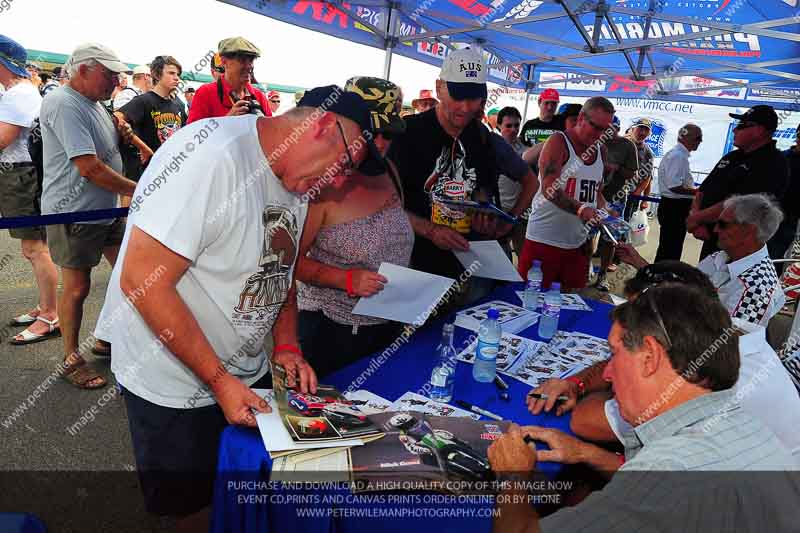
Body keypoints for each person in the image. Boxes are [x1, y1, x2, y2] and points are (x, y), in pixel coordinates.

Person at [95, 85, 375, 530]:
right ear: (322, 126)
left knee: (246, 493)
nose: (340, 183)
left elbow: (279, 269)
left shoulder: (298, 181)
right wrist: (219, 381)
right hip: (173, 380)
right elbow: (142, 282)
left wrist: (286, 346)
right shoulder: (210, 156)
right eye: (345, 164)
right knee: (191, 508)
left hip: (241, 370)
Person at [491, 283, 798, 533]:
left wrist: (512, 477)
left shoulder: (668, 472)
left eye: (614, 354)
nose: (607, 374)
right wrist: (587, 453)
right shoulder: (743, 424)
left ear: (650, 356)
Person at [527, 261, 800, 459]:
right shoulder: (722, 331)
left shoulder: (717, 377)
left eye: (639, 323)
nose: (609, 373)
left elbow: (586, 420)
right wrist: (578, 383)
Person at [296, 77, 413, 378]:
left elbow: (394, 222)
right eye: (375, 133)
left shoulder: (390, 169)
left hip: (387, 325)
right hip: (330, 332)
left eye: (390, 133)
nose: (383, 143)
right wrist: (344, 279)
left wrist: (431, 231)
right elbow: (287, 262)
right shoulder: (325, 181)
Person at [40, 43, 138, 389]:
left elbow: (104, 156)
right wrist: (137, 189)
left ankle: (104, 337)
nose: (116, 80)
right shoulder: (64, 103)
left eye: (117, 74)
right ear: (83, 70)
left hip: (107, 209)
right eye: (108, 74)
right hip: (75, 212)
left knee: (133, 275)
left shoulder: (96, 104)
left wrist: (125, 135)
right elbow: (88, 168)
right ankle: (69, 357)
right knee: (78, 287)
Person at [389, 47, 498, 289]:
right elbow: (382, 204)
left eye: (474, 97)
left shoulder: (480, 135)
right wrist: (429, 230)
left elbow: (482, 187)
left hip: (463, 262)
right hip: (412, 264)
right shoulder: (406, 133)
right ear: (439, 88)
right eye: (458, 96)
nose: (467, 107)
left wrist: (483, 212)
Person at [619, 193, 786, 327]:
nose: (715, 229)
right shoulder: (720, 257)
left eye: (722, 224)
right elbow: (682, 288)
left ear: (748, 232)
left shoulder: (758, 288)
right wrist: (638, 262)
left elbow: (725, 346)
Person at [518, 97, 615, 290]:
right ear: (581, 118)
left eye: (605, 129)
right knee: (529, 302)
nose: (599, 134)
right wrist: (581, 210)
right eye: (595, 127)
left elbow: (595, 192)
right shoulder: (558, 141)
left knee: (569, 303)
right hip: (544, 241)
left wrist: (607, 211)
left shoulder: (601, 151)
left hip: (577, 243)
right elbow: (549, 189)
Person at [0, 35, 60, 345]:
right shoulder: (19, 92)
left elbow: (3, 139)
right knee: (33, 248)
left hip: (21, 175)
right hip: (22, 173)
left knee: (35, 249)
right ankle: (46, 308)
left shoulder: (17, 94)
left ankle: (50, 315)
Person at [688, 105, 789, 260]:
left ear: (759, 130)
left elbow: (740, 206)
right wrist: (697, 220)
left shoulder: (774, 163)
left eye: (741, 126)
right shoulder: (732, 157)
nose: (735, 130)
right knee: (704, 280)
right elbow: (702, 191)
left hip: (740, 249)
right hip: (712, 240)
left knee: (727, 283)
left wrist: (696, 219)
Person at [115, 55, 187, 184]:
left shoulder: (179, 104)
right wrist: (142, 147)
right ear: (157, 75)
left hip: (171, 170)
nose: (177, 78)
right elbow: (117, 118)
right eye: (171, 73)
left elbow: (185, 132)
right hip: (146, 172)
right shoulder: (144, 101)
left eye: (178, 74)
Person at [593, 115, 639, 291]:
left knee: (609, 240)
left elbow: (633, 173)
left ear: (619, 129)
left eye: (612, 128)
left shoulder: (627, 145)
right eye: (605, 127)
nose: (608, 131)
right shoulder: (594, 141)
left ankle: (602, 275)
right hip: (592, 197)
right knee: (587, 237)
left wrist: (617, 168)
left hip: (615, 198)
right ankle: (589, 268)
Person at [187, 36, 271, 123]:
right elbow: (193, 135)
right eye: (242, 60)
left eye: (251, 60)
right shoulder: (205, 93)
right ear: (224, 62)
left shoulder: (259, 97)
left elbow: (273, 133)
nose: (249, 66)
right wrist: (228, 120)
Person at [654, 124, 703, 262]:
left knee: (669, 246)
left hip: (674, 206)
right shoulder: (678, 156)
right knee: (670, 248)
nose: (700, 141)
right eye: (698, 138)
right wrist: (697, 192)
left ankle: (663, 275)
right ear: (687, 138)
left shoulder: (677, 154)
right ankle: (662, 277)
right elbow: (674, 186)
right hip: (674, 207)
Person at [495, 106, 537, 257]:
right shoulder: (490, 147)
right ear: (498, 126)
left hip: (521, 212)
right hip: (498, 210)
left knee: (525, 255)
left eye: (516, 125)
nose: (513, 129)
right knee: (501, 256)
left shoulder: (526, 151)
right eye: (508, 125)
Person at [767, 123, 800, 265]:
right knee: (771, 257)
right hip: (775, 217)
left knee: (785, 262)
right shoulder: (782, 158)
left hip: (793, 219)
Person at [623, 118, 654, 221]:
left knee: (625, 227)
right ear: (633, 129)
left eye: (646, 130)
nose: (643, 132)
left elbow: (648, 177)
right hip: (611, 194)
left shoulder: (647, 152)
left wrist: (639, 193)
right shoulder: (621, 143)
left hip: (632, 196)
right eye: (640, 128)